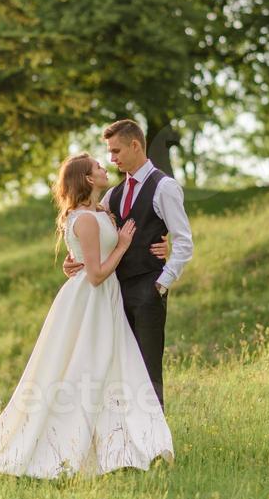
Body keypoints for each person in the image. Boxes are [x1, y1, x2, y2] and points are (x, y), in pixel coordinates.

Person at [0, 151, 175, 479]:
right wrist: (120, 245)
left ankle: (124, 445)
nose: (106, 167)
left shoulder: (101, 210)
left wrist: (161, 245)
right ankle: (65, 447)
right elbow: (96, 274)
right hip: (91, 299)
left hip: (104, 300)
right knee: (83, 369)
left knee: (113, 368)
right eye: (98, 167)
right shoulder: (86, 218)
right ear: (88, 179)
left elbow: (91, 256)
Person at [63, 119, 194, 411]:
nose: (112, 159)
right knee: (121, 369)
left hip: (148, 290)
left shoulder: (165, 187)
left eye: (116, 151)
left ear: (135, 145)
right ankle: (124, 436)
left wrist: (161, 283)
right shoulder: (113, 194)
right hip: (114, 292)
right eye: (109, 153)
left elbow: (185, 241)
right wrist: (74, 259)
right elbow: (92, 232)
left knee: (148, 370)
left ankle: (154, 441)